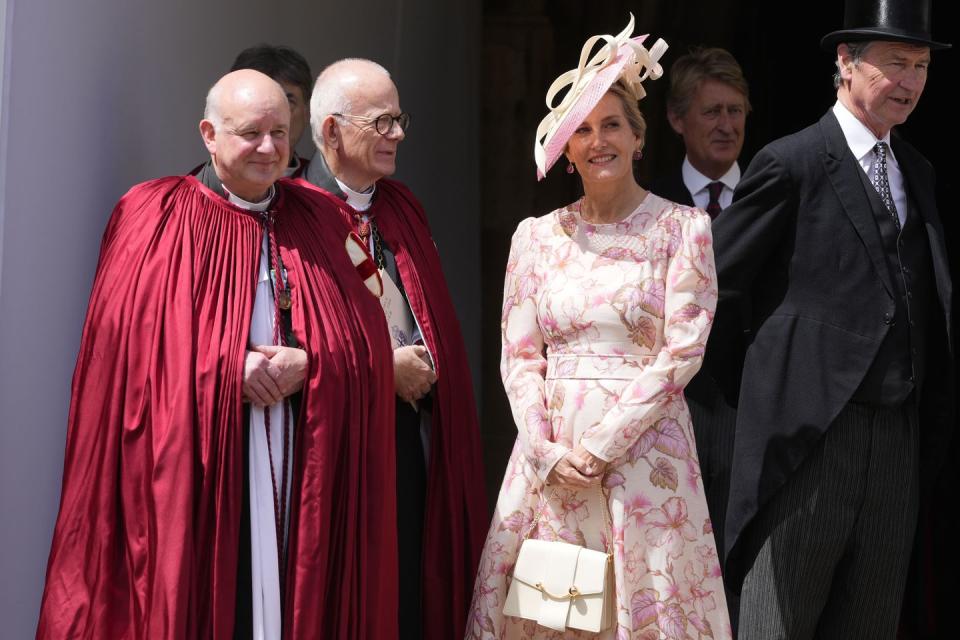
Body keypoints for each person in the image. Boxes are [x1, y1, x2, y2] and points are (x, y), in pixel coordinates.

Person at [36, 69, 399, 639]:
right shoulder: (153, 216)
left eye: (280, 133)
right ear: (209, 133)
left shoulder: (320, 218)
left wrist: (314, 362)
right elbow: (121, 349)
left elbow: (367, 337)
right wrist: (227, 366)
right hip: (200, 464)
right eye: (250, 132)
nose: (268, 148)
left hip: (299, 463)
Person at [467, 17, 732, 639]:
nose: (597, 141)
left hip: (643, 453)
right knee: (554, 613)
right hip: (552, 460)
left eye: (611, 124)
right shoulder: (534, 238)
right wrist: (545, 451)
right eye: (581, 130)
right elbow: (519, 357)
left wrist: (601, 447)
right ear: (565, 149)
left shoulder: (682, 229)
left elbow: (683, 351)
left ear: (638, 138)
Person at [707, 0, 953, 636]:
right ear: (845, 63)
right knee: (774, 624)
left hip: (895, 444)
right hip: (804, 447)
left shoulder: (918, 173)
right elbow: (710, 291)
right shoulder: (790, 163)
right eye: (895, 63)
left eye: (922, 66)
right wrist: (761, 404)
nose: (911, 82)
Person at [304, 58, 488, 638]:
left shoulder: (400, 206)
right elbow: (285, 344)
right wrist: (381, 369)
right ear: (332, 131)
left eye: (399, 119)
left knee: (405, 596)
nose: (399, 135)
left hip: (405, 443)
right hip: (330, 449)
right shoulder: (291, 215)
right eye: (381, 123)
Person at [650, 45, 750, 585]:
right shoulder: (647, 204)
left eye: (735, 111)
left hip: (746, 413)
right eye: (712, 111)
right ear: (676, 119)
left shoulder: (770, 195)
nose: (726, 125)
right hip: (668, 415)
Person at [230, 43, 313, 177]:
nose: (273, 116)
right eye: (258, 103)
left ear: (307, 112)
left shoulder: (321, 189)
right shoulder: (200, 190)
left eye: (288, 102)